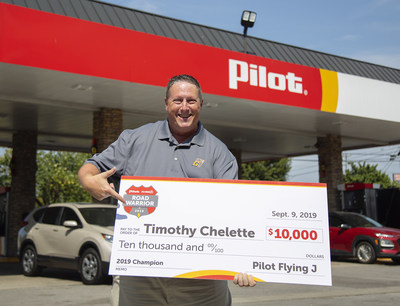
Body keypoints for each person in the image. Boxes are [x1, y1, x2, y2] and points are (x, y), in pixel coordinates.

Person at [78, 74, 256, 305]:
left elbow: (232, 216)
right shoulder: (134, 140)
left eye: (191, 101)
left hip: (200, 281)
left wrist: (246, 261)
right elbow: (90, 168)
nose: (184, 107)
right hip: (139, 276)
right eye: (177, 100)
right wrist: (89, 180)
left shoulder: (220, 155)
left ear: (201, 104)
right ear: (166, 103)